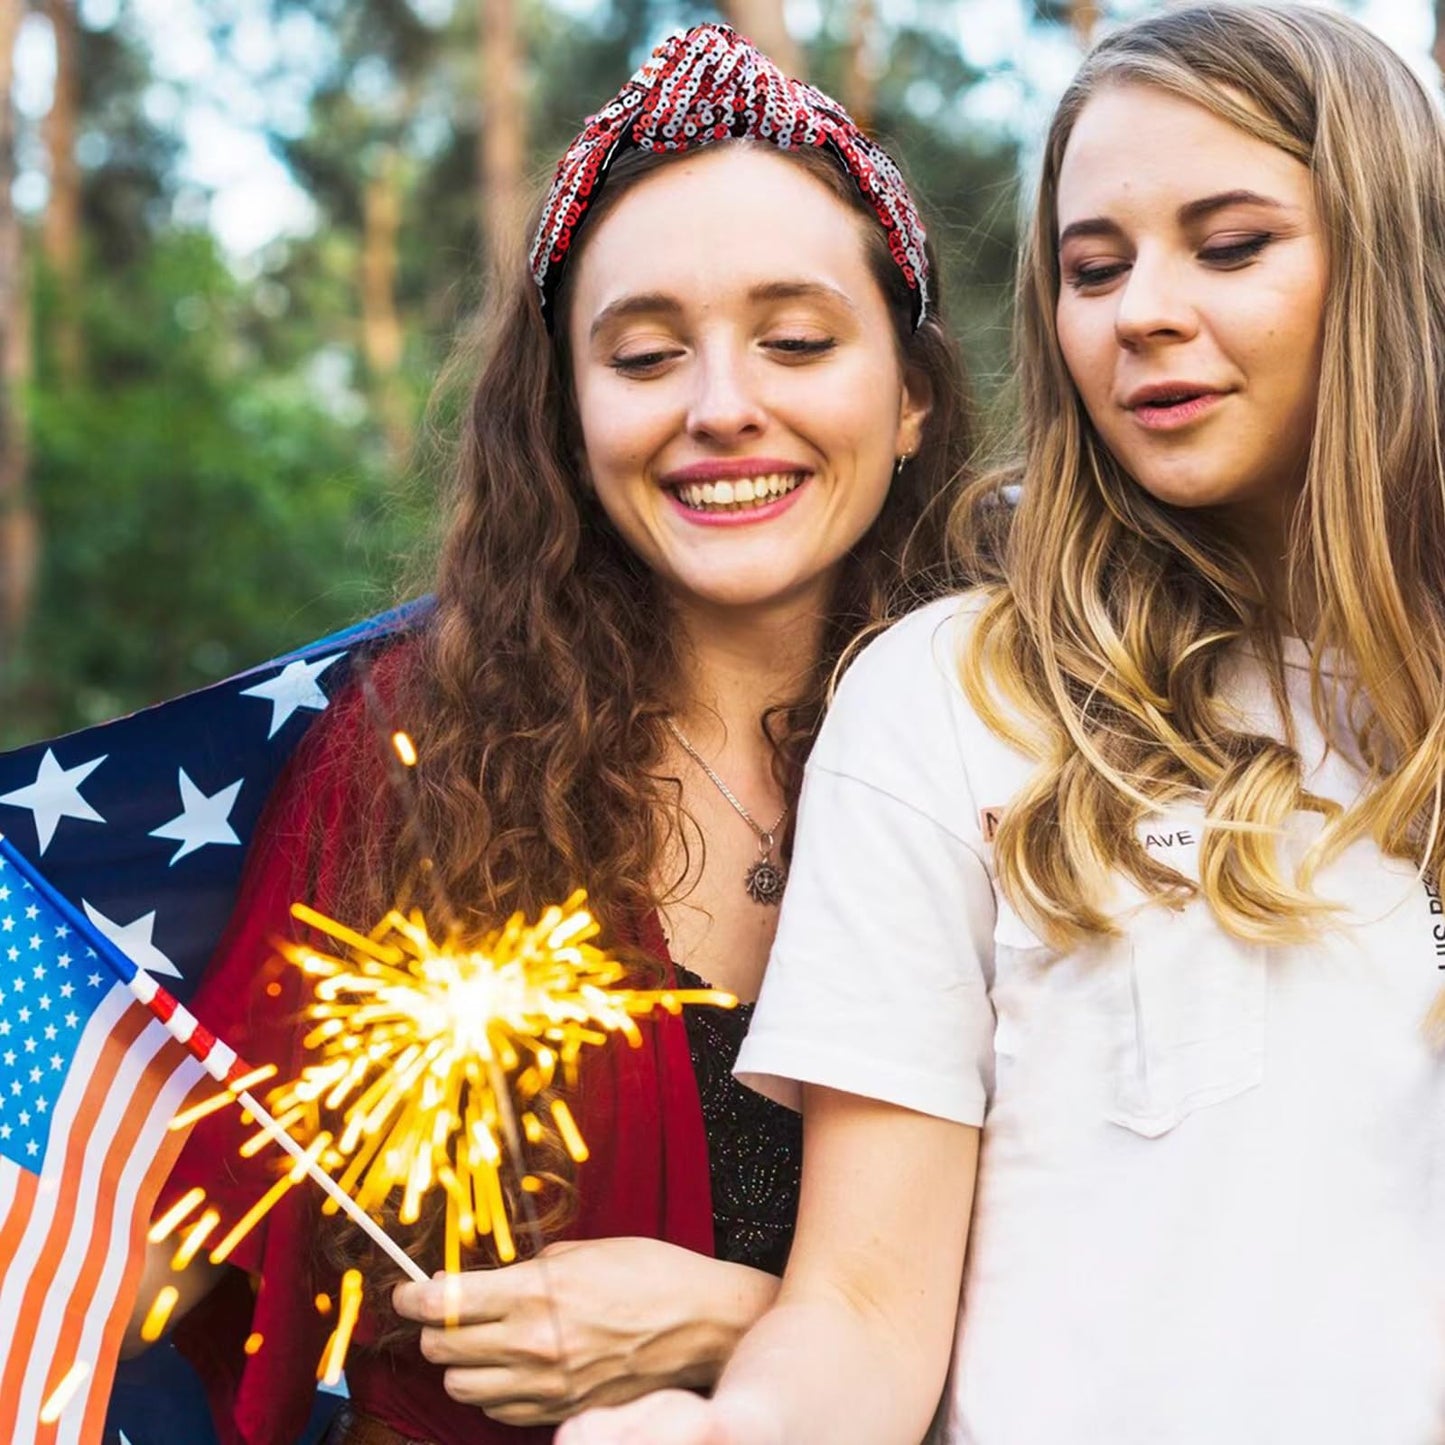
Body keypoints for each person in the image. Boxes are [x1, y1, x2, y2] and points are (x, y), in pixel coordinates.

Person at [557, 6, 1445, 1444]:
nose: (1138, 309)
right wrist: (735, 1432)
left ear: (1395, 262)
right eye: (1091, 267)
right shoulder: (954, 698)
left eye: (1228, 245)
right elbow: (863, 1305)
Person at [123, 23, 973, 1445]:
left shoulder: (1026, 752)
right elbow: (191, 1226)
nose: (720, 407)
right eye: (642, 354)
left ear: (910, 398)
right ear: (567, 418)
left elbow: (1122, 1287)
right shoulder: (411, 754)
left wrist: (733, 1319)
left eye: (798, 341)